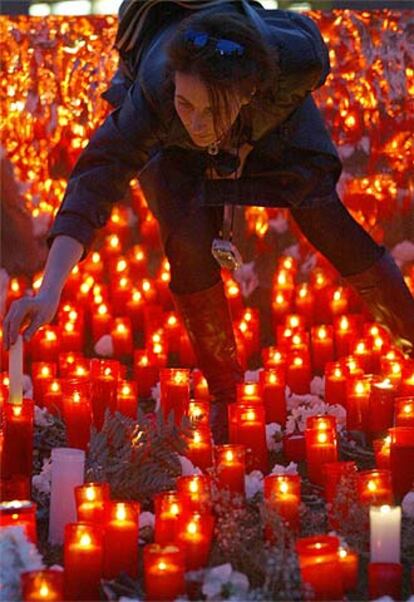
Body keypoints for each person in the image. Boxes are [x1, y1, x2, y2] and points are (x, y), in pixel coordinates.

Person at [4, 0, 414, 444]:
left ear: (246, 93)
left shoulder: (295, 65)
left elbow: (297, 56)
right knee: (187, 244)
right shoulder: (156, 95)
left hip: (272, 131)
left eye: (208, 111)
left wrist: (234, 133)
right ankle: (227, 396)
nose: (198, 123)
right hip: (170, 145)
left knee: (327, 222)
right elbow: (95, 180)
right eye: (187, 104)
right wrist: (49, 289)